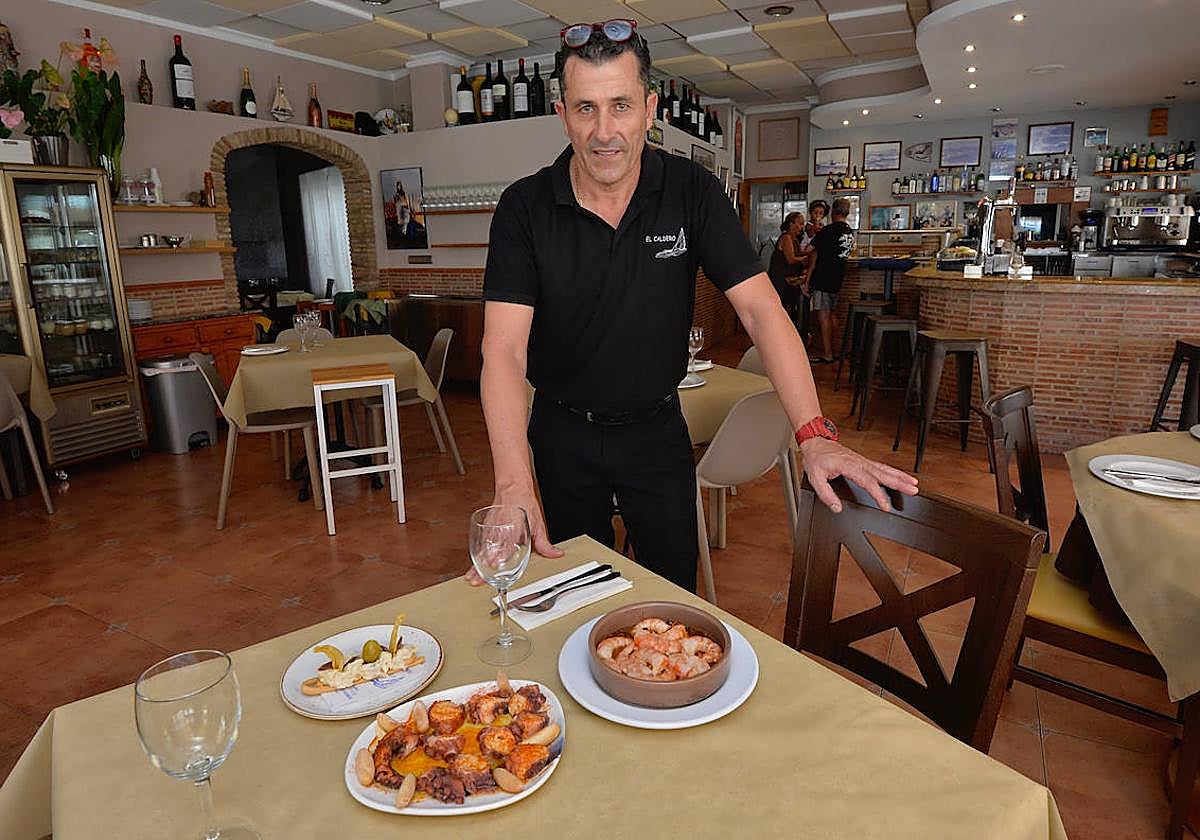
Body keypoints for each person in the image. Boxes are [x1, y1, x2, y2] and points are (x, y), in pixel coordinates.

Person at [472, 20, 917, 591]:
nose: (604, 131)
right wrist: (512, 479)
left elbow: (761, 312)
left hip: (656, 433)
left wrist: (814, 434)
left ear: (650, 108)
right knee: (572, 597)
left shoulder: (691, 190)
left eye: (621, 105)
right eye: (585, 108)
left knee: (670, 595)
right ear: (562, 114)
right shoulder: (524, 208)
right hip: (562, 435)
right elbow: (503, 350)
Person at [802, 198, 856, 364]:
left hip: (823, 277)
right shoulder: (849, 232)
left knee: (823, 315)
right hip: (837, 277)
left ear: (833, 211)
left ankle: (827, 353)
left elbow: (807, 249)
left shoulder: (829, 230)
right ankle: (837, 349)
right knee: (832, 314)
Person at [767, 211, 807, 328]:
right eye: (800, 223)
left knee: (789, 306)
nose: (802, 227)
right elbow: (791, 259)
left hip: (788, 280)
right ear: (791, 224)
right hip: (780, 279)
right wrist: (804, 259)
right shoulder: (786, 238)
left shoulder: (795, 240)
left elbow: (799, 254)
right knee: (782, 308)